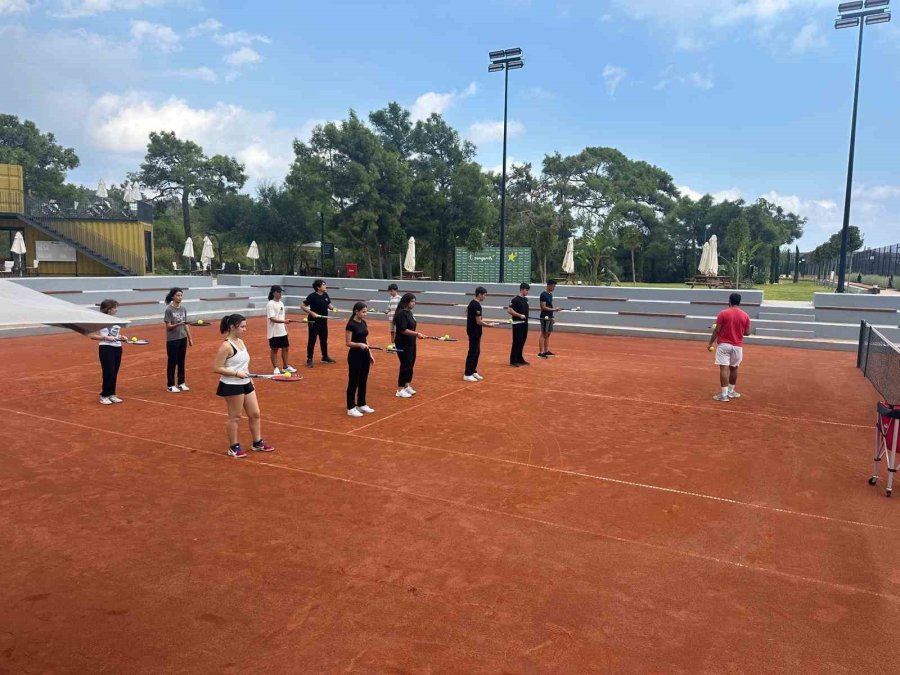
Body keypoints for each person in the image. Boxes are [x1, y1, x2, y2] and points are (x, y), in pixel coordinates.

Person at [213, 313, 274, 458]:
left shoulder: (241, 342)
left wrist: (248, 377)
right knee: (235, 416)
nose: (245, 329)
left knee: (255, 413)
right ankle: (233, 447)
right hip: (232, 384)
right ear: (233, 327)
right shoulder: (226, 346)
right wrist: (235, 374)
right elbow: (216, 367)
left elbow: (243, 364)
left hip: (246, 382)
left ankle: (257, 442)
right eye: (242, 327)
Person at [707, 292, 752, 402]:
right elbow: (747, 333)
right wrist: (738, 330)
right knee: (734, 368)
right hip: (737, 346)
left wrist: (710, 343)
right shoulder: (745, 315)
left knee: (724, 368)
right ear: (739, 302)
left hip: (724, 345)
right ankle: (731, 391)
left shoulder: (723, 313)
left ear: (729, 301)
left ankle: (724, 395)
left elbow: (717, 331)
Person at [89, 299, 128, 405]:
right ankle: (104, 395)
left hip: (117, 347)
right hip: (106, 347)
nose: (116, 310)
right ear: (109, 309)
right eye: (115, 307)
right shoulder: (99, 320)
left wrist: (121, 337)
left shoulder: (116, 320)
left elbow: (115, 335)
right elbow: (91, 335)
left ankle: (112, 394)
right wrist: (105, 338)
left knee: (114, 372)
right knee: (108, 372)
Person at [393, 292, 427, 397]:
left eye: (415, 301)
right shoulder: (401, 314)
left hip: (411, 342)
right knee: (405, 364)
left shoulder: (409, 313)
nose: (414, 303)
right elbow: (402, 330)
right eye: (412, 301)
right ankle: (400, 389)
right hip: (402, 343)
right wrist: (417, 334)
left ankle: (407, 385)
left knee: (411, 363)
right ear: (406, 302)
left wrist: (416, 335)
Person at [345, 301, 376, 417]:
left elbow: (365, 339)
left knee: (363, 379)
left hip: (364, 355)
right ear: (356, 312)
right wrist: (359, 345)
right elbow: (348, 343)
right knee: (354, 381)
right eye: (363, 312)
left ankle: (362, 404)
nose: (365, 314)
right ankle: (350, 407)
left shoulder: (364, 322)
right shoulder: (350, 325)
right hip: (355, 355)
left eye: (366, 311)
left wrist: (370, 353)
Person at [302, 279, 337, 368]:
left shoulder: (325, 295)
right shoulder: (312, 296)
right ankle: (309, 359)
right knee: (312, 340)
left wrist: (333, 308)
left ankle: (325, 357)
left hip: (324, 321)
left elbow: (329, 305)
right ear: (318, 287)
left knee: (324, 340)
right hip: (314, 322)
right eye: (324, 285)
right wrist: (312, 313)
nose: (326, 286)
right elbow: (302, 306)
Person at [164, 287, 193, 393]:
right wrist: (178, 324)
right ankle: (170, 385)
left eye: (181, 295)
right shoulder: (169, 310)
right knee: (172, 362)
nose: (180, 297)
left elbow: (186, 325)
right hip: (172, 340)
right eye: (178, 295)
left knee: (181, 361)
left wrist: (190, 338)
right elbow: (168, 327)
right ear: (173, 297)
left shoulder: (183, 309)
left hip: (182, 338)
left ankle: (181, 383)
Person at [464, 286, 495, 382]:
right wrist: (489, 325)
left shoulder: (472, 303)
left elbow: (467, 312)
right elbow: (478, 321)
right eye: (484, 295)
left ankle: (473, 371)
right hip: (474, 331)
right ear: (479, 294)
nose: (484, 297)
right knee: (473, 352)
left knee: (477, 351)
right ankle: (467, 374)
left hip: (475, 331)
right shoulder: (477, 305)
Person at [266, 285, 296, 375]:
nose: (280, 294)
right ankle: (275, 368)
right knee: (274, 349)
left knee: (285, 348)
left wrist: (285, 327)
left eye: (281, 292)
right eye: (279, 292)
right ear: (274, 293)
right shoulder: (270, 304)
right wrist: (284, 321)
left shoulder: (281, 303)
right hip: (274, 332)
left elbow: (282, 317)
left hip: (282, 331)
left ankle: (285, 367)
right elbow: (272, 318)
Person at [507, 282, 531, 367]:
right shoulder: (515, 299)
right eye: (526, 290)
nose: (527, 292)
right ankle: (513, 360)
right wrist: (519, 315)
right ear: (522, 289)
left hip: (525, 324)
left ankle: (520, 358)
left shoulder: (525, 300)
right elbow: (509, 310)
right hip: (518, 323)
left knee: (522, 341)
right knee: (517, 341)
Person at [538, 279, 564, 358]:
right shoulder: (543, 294)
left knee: (548, 334)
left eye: (554, 286)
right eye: (553, 286)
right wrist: (555, 310)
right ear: (548, 285)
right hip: (544, 317)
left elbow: (550, 306)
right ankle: (541, 352)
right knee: (543, 333)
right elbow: (543, 307)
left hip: (549, 316)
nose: (554, 288)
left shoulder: (550, 294)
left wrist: (552, 317)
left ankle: (546, 351)